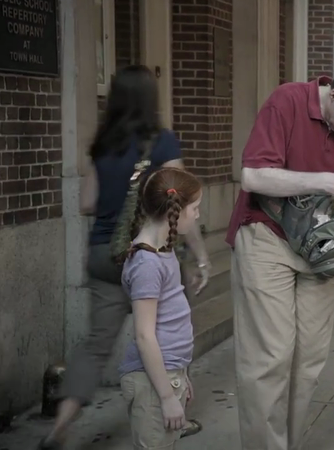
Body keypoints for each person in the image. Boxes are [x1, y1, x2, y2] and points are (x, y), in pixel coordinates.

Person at [39, 65, 209, 450]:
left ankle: (60, 424)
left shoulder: (103, 144)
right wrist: (200, 257)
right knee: (169, 328)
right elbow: (180, 202)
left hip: (105, 253)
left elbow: (87, 202)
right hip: (149, 251)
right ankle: (174, 407)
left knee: (96, 344)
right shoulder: (162, 143)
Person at [226, 64, 334, 450]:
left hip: (320, 249)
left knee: (309, 360)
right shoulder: (286, 101)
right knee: (271, 356)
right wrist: (327, 181)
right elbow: (253, 176)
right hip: (267, 234)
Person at [119, 167, 203, 449]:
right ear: (175, 210)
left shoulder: (163, 251)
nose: (198, 215)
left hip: (168, 373)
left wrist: (182, 375)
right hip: (152, 382)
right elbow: (145, 336)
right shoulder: (147, 264)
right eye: (195, 208)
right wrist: (166, 396)